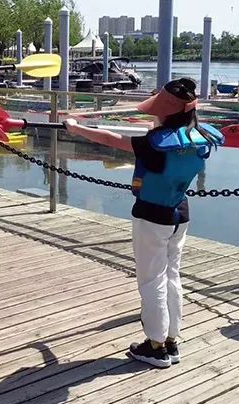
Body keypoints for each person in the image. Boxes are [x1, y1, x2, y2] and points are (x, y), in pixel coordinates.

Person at [63, 78, 223, 368]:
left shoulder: (154, 145)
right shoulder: (200, 137)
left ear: (166, 111)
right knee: (172, 275)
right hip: (180, 213)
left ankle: (155, 345)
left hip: (152, 215)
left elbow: (110, 139)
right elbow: (161, 137)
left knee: (152, 281)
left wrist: (76, 128)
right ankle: (172, 340)